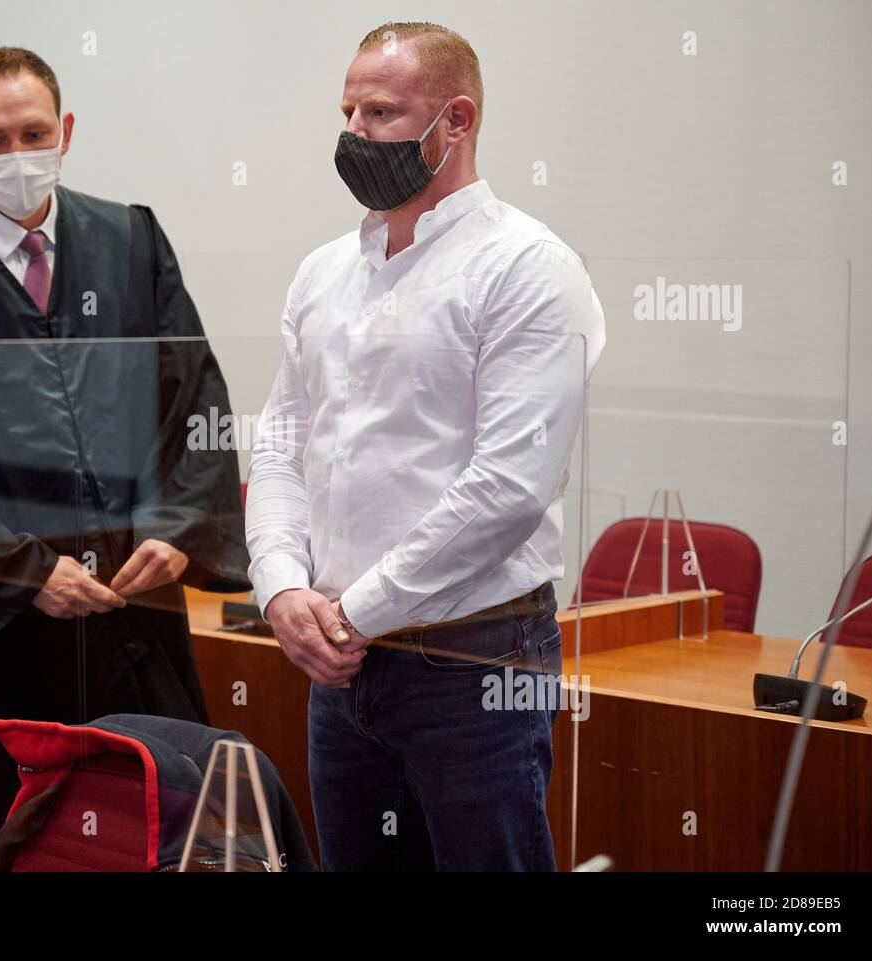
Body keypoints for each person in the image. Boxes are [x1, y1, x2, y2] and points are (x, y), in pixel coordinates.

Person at [0, 47, 247, 871]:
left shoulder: (129, 237)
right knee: (15, 848)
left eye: (34, 133)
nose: (15, 154)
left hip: (135, 612)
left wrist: (179, 529)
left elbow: (195, 396)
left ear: (65, 131)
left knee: (166, 838)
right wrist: (26, 572)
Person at [245, 21, 606, 871]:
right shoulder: (323, 271)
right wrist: (279, 589)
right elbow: (281, 445)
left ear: (456, 121)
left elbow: (510, 486)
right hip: (338, 666)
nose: (357, 132)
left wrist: (350, 612)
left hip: (470, 658)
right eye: (349, 110)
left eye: (382, 111)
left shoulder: (526, 266)